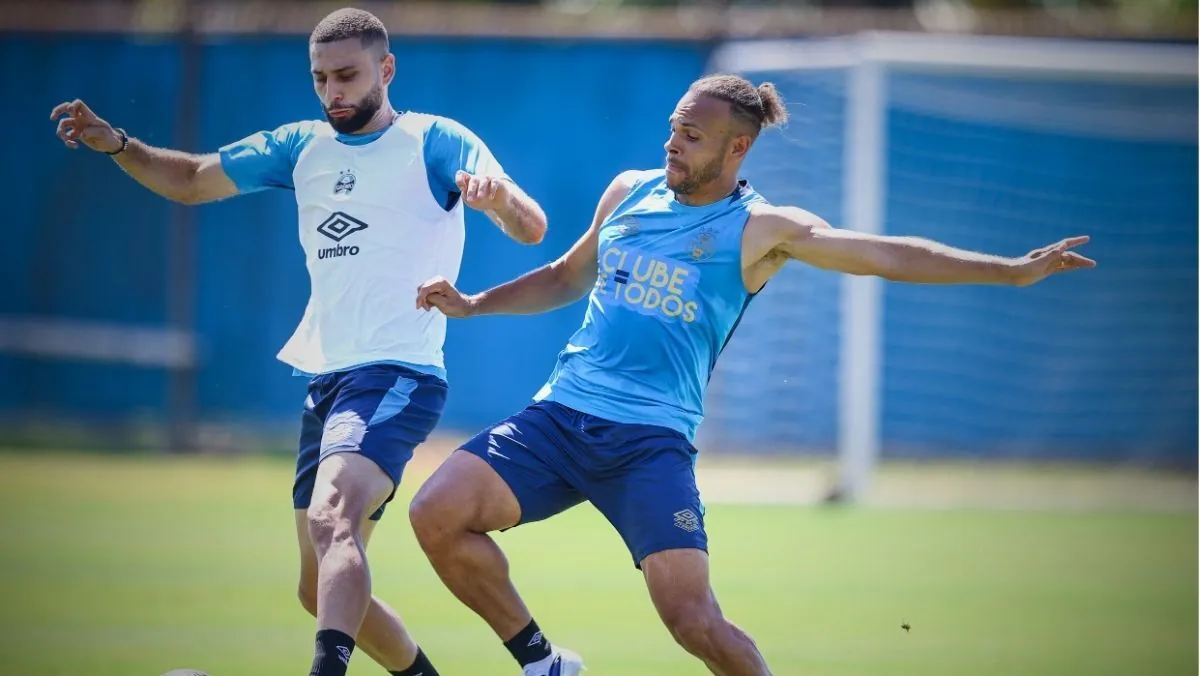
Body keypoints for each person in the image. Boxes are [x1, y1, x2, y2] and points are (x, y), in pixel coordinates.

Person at [407, 73, 1096, 675]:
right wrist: (474, 304)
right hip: (560, 417)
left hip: (648, 443)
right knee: (436, 513)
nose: (673, 145)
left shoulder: (762, 228)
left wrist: (1009, 271)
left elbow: (886, 255)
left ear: (737, 147)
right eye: (673, 129)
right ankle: (544, 662)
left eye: (692, 137)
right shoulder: (628, 192)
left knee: (693, 622)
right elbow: (565, 276)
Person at [50, 8, 548, 676]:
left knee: (333, 516)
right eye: (320, 78)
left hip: (397, 373)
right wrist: (118, 145)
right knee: (317, 587)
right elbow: (192, 180)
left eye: (347, 75)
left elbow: (532, 227)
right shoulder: (299, 145)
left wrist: (498, 202)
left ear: (386, 69)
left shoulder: (435, 139)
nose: (332, 91)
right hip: (327, 381)